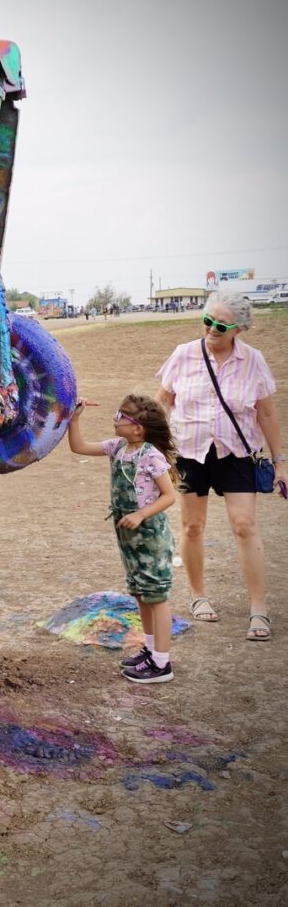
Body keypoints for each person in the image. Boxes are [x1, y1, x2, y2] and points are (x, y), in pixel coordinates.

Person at [156, 290, 286, 641]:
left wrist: (281, 463)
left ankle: (258, 609)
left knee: (244, 525)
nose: (211, 329)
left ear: (238, 329)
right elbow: (164, 403)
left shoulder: (253, 360)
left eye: (220, 325)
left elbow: (267, 413)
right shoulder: (184, 355)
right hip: (189, 452)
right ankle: (198, 596)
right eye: (207, 321)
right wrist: (151, 449)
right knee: (192, 527)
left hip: (236, 453)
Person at [68, 394, 178, 683]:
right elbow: (78, 446)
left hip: (150, 535)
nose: (115, 419)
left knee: (156, 595)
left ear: (138, 428)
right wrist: (74, 418)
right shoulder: (117, 447)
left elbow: (169, 496)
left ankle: (162, 664)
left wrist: (141, 514)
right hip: (128, 535)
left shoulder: (151, 456)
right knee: (140, 592)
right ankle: (151, 650)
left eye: (121, 417)